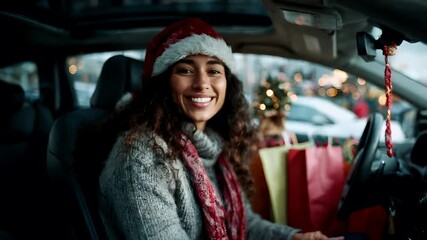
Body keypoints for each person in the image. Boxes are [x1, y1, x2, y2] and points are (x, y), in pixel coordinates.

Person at [98, 17, 344, 240]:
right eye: (185, 70)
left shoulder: (216, 147)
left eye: (214, 71)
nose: (202, 83)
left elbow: (245, 225)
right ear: (163, 84)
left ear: (228, 84)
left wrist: (293, 238)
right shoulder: (142, 155)